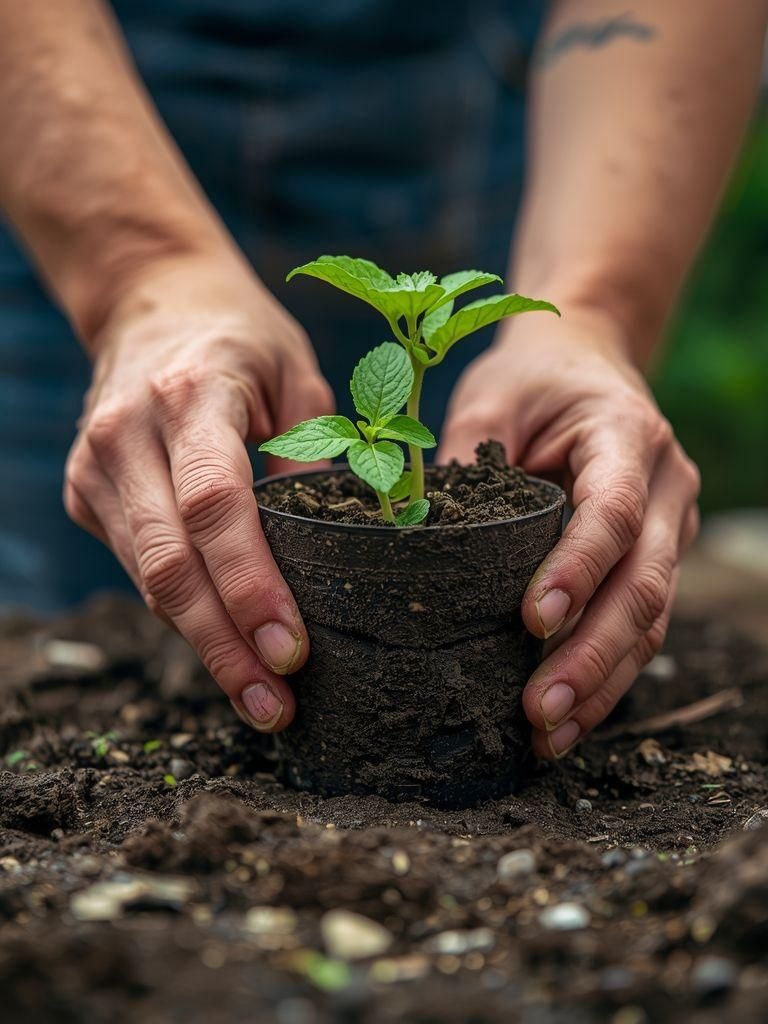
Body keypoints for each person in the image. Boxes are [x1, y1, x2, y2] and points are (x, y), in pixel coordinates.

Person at [0, 1, 765, 760]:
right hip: (58, 103)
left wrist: (592, 314)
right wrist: (141, 273)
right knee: (93, 627)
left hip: (470, 90)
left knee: (525, 476)